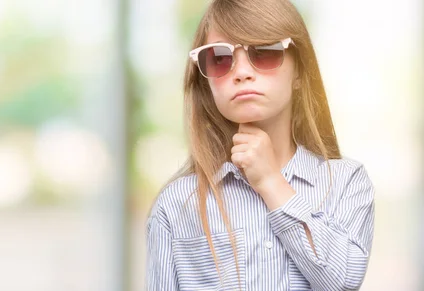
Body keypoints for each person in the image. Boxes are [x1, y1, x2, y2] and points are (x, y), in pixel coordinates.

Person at [145, 0, 375, 290]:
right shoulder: (177, 204)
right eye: (219, 58)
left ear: (300, 73)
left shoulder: (345, 182)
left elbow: (342, 282)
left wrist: (270, 181)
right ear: (206, 82)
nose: (242, 72)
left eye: (265, 52)